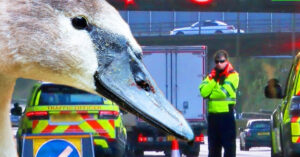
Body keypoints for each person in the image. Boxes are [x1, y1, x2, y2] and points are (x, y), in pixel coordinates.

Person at [199, 50, 239, 157]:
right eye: (217, 62)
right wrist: (213, 80)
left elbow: (223, 93)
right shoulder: (211, 76)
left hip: (226, 116)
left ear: (227, 61)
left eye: (222, 61)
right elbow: (203, 91)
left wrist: (210, 94)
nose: (219, 64)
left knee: (229, 148)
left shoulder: (233, 75)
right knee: (213, 149)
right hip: (213, 117)